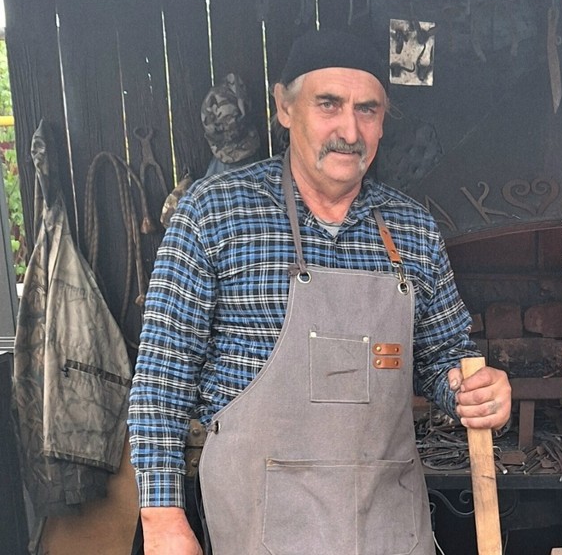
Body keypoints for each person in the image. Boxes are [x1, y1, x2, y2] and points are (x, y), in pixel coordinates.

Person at [127, 29, 511, 555]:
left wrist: (474, 390)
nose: (348, 130)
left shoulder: (412, 230)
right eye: (328, 104)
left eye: (367, 110)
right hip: (260, 528)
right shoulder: (213, 214)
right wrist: (162, 519)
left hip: (387, 528)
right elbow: (161, 380)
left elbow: (443, 359)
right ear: (285, 107)